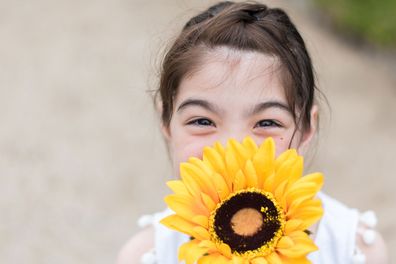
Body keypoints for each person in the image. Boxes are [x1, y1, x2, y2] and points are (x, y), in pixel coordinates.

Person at [118, 1, 388, 263]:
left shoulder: (356, 252)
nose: (233, 149)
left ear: (307, 128)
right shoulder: (145, 256)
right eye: (202, 121)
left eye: (267, 123)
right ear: (166, 121)